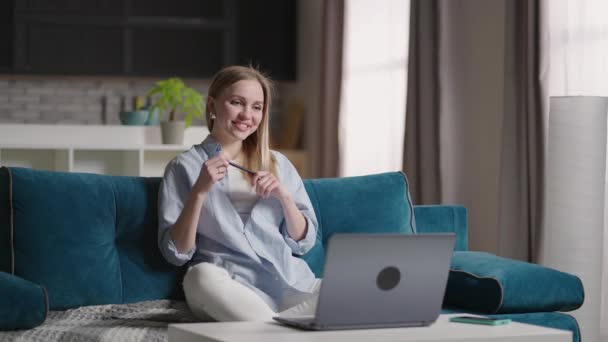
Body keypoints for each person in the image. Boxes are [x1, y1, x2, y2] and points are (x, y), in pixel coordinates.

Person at [157, 65, 320, 322]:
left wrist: (284, 197)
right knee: (199, 277)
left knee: (354, 293)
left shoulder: (278, 164)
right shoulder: (184, 167)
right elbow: (177, 253)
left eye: (257, 107)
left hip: (291, 284)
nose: (247, 114)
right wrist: (199, 191)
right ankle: (281, 329)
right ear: (212, 105)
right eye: (236, 102)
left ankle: (269, 330)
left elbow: (304, 242)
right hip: (231, 289)